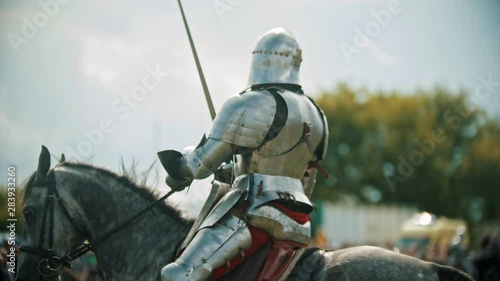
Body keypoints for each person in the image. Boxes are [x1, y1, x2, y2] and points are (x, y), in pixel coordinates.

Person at [158, 27, 329, 281]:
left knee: (178, 276)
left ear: (259, 59)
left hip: (255, 213)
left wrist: (179, 167)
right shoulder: (317, 114)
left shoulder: (248, 103)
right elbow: (307, 180)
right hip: (300, 222)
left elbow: (199, 166)